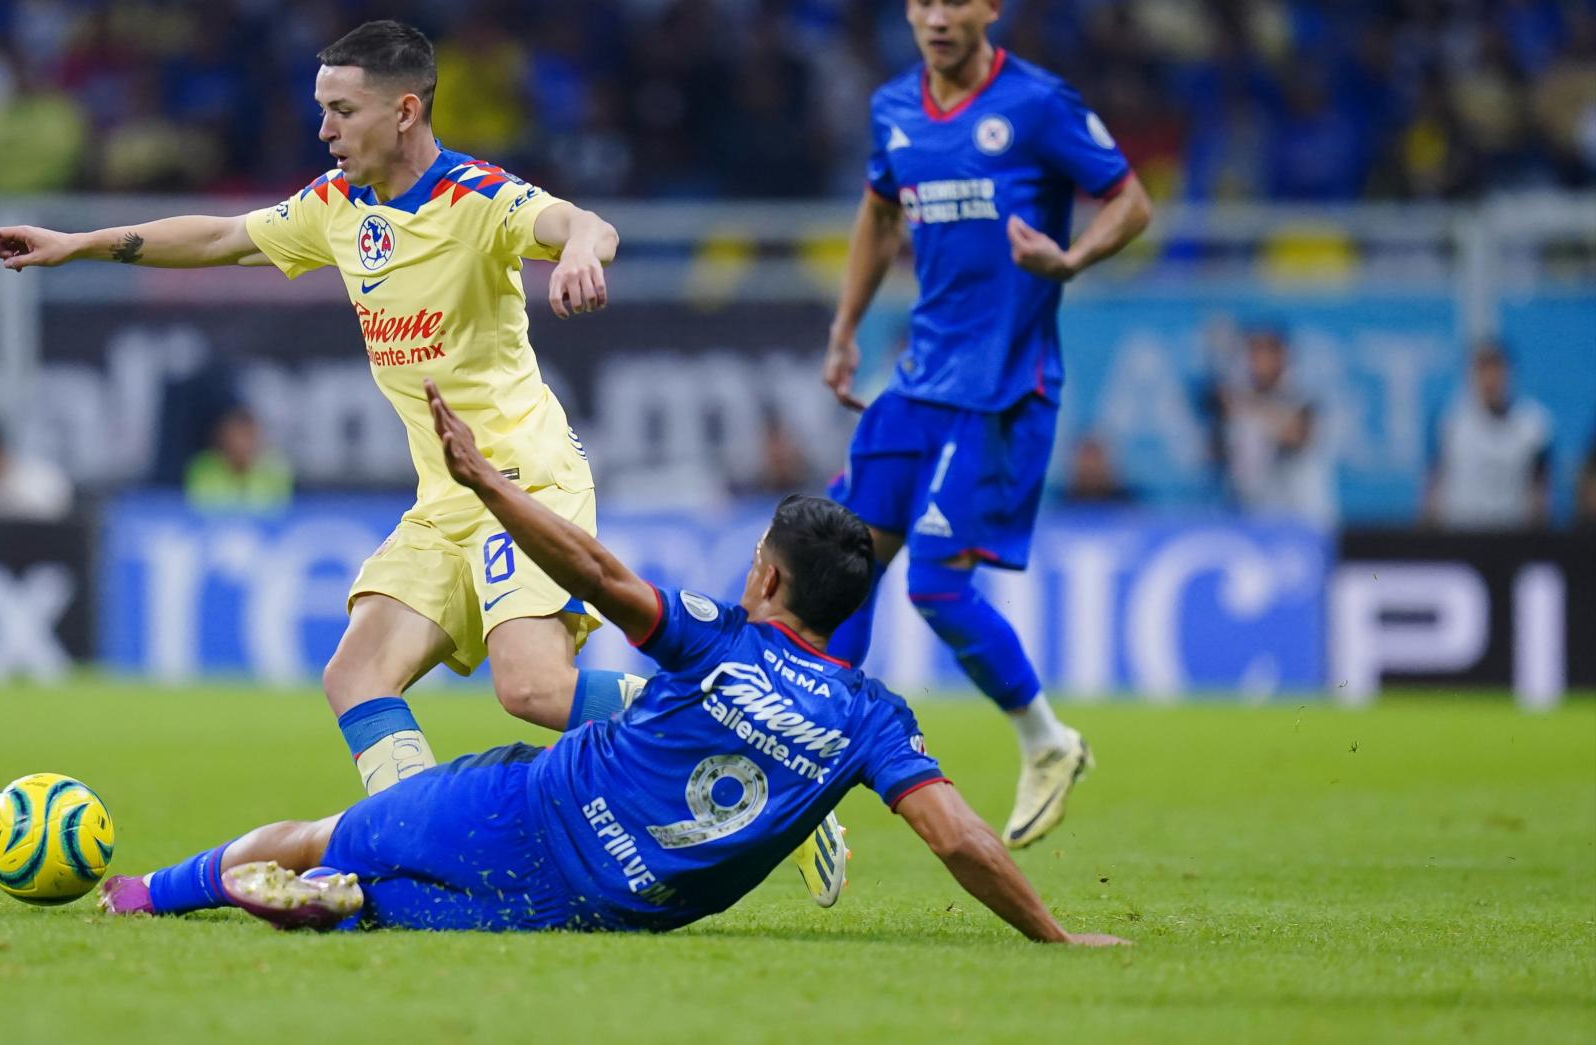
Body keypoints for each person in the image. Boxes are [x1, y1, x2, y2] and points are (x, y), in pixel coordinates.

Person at [95, 381, 1126, 948]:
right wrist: (1051, 933)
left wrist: (488, 485)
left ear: (765, 573)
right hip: (606, 909)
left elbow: (588, 565)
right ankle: (347, 897)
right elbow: (958, 840)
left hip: (528, 808)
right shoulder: (873, 716)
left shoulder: (717, 629)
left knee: (333, 834)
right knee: (379, 908)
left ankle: (151, 892)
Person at [0, 20, 638, 797]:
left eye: (342, 110)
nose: (324, 129)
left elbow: (586, 224)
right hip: (447, 497)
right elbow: (222, 236)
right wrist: (77, 243)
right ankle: (416, 842)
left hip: (524, 483)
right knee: (357, 674)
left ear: (404, 111)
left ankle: (741, 725)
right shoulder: (337, 207)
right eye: (321, 108)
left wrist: (575, 252)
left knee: (532, 691)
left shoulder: (475, 197)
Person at [818, 0, 1154, 874]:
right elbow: (879, 214)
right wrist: (846, 326)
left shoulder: (1037, 105)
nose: (934, 17)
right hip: (918, 377)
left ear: (991, 7)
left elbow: (1131, 198)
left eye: (954, 0)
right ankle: (805, 757)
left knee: (933, 580)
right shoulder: (894, 107)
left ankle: (1047, 739)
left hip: (1004, 386)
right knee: (840, 562)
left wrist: (1074, 258)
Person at [1206, 325, 1336, 529]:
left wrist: (1240, 405)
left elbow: (1297, 434)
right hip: (1254, 519)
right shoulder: (1236, 406)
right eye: (1252, 354)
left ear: (1282, 357)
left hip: (1302, 520)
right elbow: (1217, 457)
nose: (1256, 362)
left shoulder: (1303, 397)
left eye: (1264, 354)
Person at [1423, 341, 1554, 529]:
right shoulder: (1449, 421)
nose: (1490, 379)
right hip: (1459, 532)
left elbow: (1539, 491)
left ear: (1509, 372)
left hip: (1513, 534)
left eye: (1496, 369)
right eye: (1483, 370)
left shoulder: (1534, 425)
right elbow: (1434, 484)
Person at [185, 405, 294, 510]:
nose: (241, 444)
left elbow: (280, 510)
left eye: (247, 436)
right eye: (235, 437)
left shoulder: (275, 468)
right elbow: (201, 507)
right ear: (222, 439)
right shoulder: (205, 467)